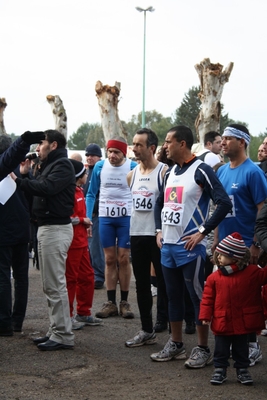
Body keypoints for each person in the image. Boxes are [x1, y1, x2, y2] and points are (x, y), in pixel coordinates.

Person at [150, 125, 232, 368]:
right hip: (168, 247)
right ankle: (176, 344)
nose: (165, 146)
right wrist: (158, 230)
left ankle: (203, 348)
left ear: (182, 144)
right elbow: (159, 204)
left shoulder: (202, 169)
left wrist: (202, 232)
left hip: (190, 248)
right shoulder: (169, 171)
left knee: (197, 298)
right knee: (172, 296)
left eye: (168, 141)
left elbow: (224, 202)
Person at [12, 130, 76, 351]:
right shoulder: (48, 165)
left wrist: (19, 179)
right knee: (50, 285)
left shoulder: (63, 166)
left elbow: (46, 188)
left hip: (56, 229)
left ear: (54, 145)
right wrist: (26, 175)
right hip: (47, 227)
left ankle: (63, 335)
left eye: (41, 144)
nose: (37, 148)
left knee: (55, 284)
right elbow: (38, 190)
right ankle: (56, 329)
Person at [212, 124, 267, 366]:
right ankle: (235, 346)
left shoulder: (253, 173)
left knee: (248, 301)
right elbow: (218, 209)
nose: (222, 143)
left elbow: (262, 211)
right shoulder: (222, 172)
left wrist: (256, 244)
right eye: (221, 139)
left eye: (228, 139)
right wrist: (215, 240)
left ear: (242, 142)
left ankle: (253, 346)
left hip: (246, 248)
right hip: (224, 249)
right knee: (226, 300)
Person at [200, 232, 267, 386]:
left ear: (235, 258)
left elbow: (264, 276)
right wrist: (205, 315)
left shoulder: (251, 273)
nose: (218, 258)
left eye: (222, 255)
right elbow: (207, 299)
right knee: (221, 348)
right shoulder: (214, 277)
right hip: (222, 319)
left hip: (242, 322)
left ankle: (242, 369)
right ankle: (220, 369)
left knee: (241, 348)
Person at [125, 128, 169, 347]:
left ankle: (166, 321)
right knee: (142, 284)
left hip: (158, 236)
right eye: (133, 144)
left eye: (139, 144)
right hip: (137, 234)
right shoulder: (131, 175)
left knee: (164, 281)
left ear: (152, 148)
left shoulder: (164, 172)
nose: (134, 148)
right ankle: (146, 329)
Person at [86, 137, 137, 318]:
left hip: (126, 218)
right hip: (106, 217)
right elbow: (91, 194)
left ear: (124, 153)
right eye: (110, 152)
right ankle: (110, 302)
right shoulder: (100, 166)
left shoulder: (132, 167)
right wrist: (87, 217)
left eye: (116, 152)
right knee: (109, 259)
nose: (112, 155)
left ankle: (124, 302)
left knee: (123, 259)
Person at [0, 131, 45, 336]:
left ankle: (5, 323)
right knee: (20, 278)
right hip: (21, 231)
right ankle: (16, 321)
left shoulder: (12, 170)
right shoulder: (18, 171)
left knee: (4, 278)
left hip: (6, 233)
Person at [66, 159, 102, 330]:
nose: (87, 175)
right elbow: (67, 218)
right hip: (72, 243)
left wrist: (83, 223)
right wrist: (83, 220)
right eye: (84, 173)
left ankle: (83, 312)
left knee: (87, 276)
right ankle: (68, 316)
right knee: (70, 280)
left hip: (81, 242)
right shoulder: (69, 193)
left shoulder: (79, 191)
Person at [83, 143, 105, 289]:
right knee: (90, 247)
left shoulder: (101, 171)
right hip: (88, 216)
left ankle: (98, 275)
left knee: (96, 247)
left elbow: (102, 194)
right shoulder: (87, 172)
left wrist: (94, 207)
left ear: (99, 156)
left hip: (97, 215)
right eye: (88, 155)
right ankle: (92, 273)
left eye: (92, 155)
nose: (89, 158)